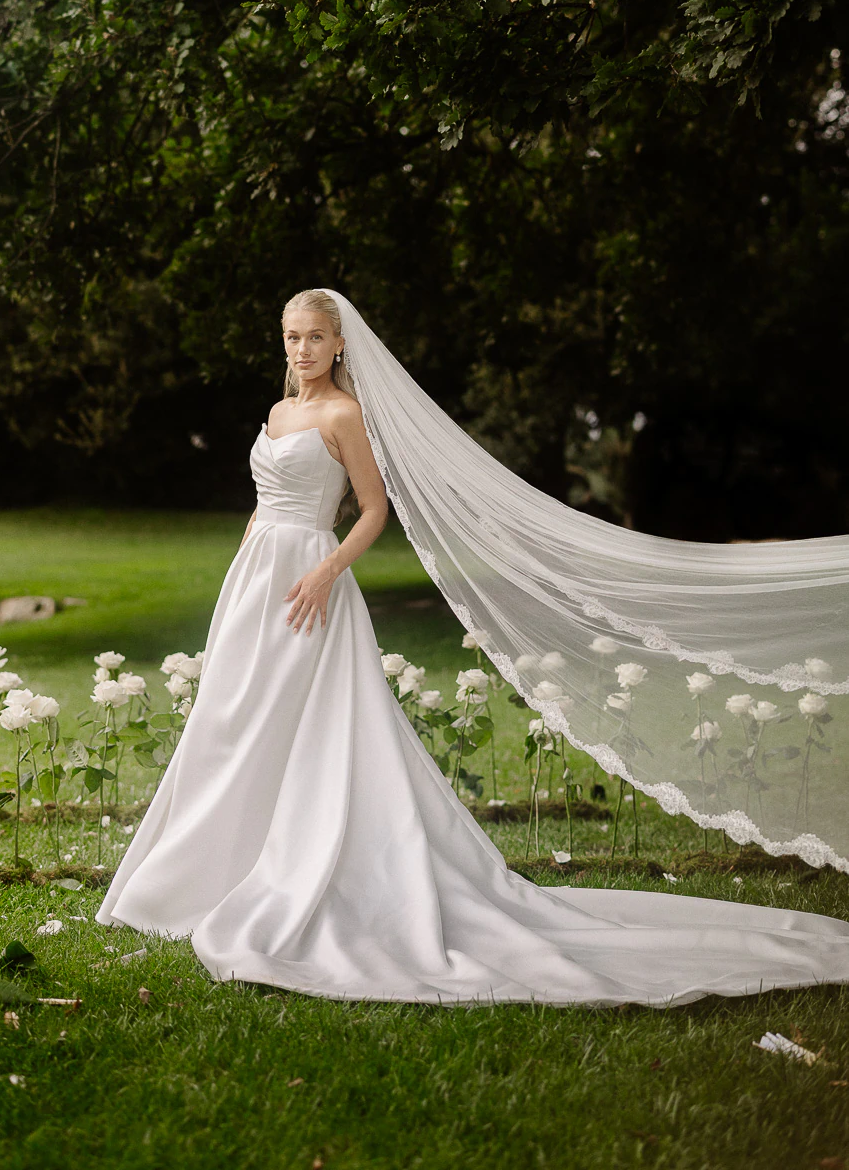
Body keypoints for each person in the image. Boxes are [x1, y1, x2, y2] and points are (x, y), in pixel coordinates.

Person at [96, 289, 849, 1004]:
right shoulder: (276, 410)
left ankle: (307, 866)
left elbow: (373, 510)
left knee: (300, 728)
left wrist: (327, 570)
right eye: (292, 337)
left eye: (315, 337)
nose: (302, 349)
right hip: (258, 580)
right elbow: (263, 509)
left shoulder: (344, 414)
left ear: (338, 344)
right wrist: (240, 582)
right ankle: (201, 875)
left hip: (311, 583)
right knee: (232, 724)